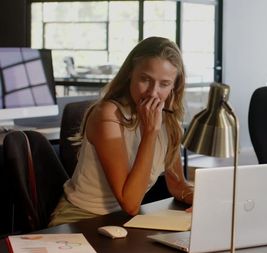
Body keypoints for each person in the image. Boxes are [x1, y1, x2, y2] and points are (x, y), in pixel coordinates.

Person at [49, 37, 193, 226]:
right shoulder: (108, 115)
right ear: (130, 75)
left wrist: (203, 201)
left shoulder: (169, 121)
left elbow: (177, 185)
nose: (152, 92)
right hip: (80, 219)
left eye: (164, 84)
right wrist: (150, 133)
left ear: (174, 87)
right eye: (145, 79)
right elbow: (130, 203)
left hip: (122, 222)